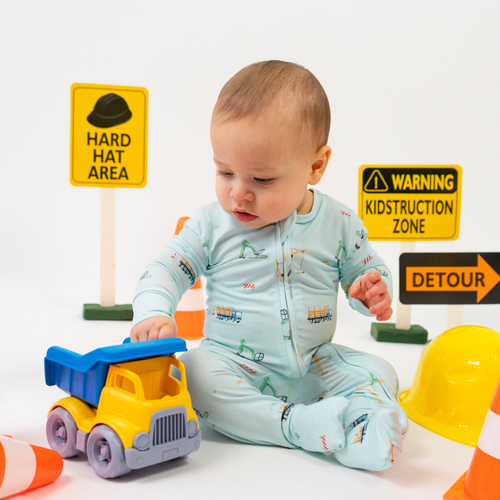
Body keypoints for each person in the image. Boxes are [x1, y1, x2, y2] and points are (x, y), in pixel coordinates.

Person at [131, 60, 408, 471]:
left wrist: (373, 291)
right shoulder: (210, 225)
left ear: (315, 166)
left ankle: (362, 430)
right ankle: (297, 426)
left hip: (315, 364)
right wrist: (154, 311)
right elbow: (165, 269)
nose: (238, 193)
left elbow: (366, 274)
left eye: (261, 180)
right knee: (193, 374)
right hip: (234, 364)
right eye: (225, 171)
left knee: (381, 370)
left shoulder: (339, 223)